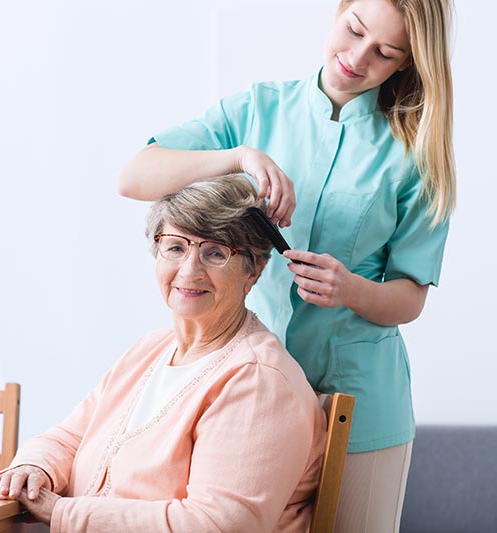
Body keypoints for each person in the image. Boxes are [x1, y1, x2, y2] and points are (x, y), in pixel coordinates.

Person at [117, 0, 455, 531]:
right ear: (339, 10)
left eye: (385, 52)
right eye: (354, 29)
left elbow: (410, 297)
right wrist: (238, 157)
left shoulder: (415, 154)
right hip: (248, 396)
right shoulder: (255, 110)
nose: (357, 57)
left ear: (407, 64)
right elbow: (135, 177)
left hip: (362, 406)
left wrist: (352, 290)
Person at [0, 175, 327, 532]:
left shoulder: (257, 380)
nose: (189, 270)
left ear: (253, 270)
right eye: (175, 247)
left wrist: (60, 512)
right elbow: (69, 437)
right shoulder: (149, 350)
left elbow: (216, 525)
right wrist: (33, 468)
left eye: (215, 252)